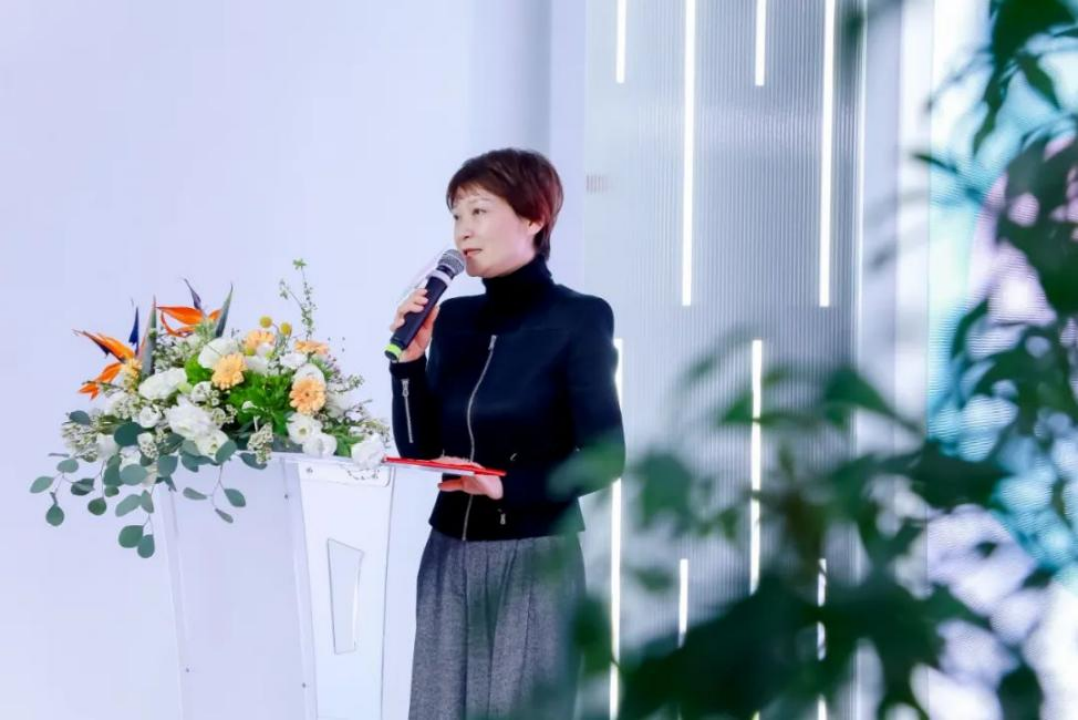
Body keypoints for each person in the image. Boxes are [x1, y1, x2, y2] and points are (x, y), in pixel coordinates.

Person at [388, 148, 625, 720]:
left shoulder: (579, 318)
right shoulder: (454, 321)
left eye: (479, 211)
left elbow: (605, 456)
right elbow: (421, 449)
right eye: (456, 215)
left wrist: (507, 486)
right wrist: (407, 366)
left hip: (534, 559)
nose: (463, 231)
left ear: (534, 218)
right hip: (447, 554)